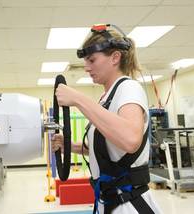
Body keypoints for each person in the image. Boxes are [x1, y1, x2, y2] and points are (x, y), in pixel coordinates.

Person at [51, 24, 162, 214]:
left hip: (128, 203)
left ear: (115, 57)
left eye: (92, 60)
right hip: (108, 201)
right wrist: (69, 145)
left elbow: (130, 140)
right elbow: (107, 149)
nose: (86, 67)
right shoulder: (106, 98)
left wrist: (78, 99)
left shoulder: (129, 88)